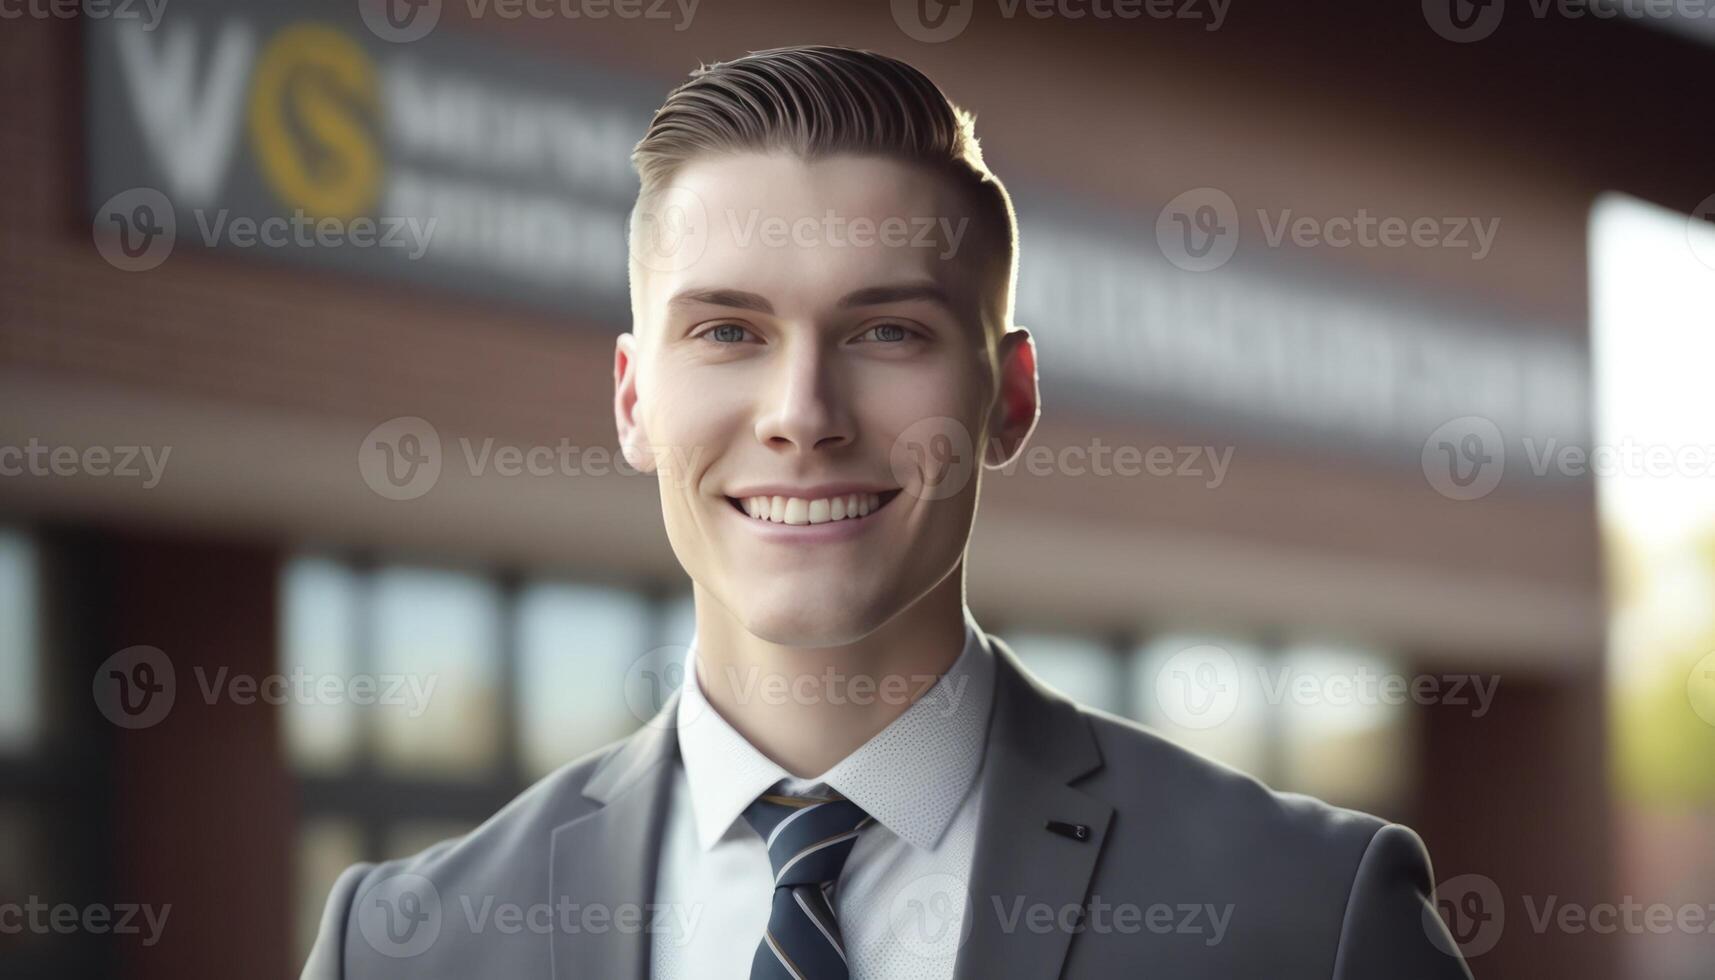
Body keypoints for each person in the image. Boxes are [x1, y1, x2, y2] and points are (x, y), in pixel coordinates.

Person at [303, 44, 1473, 979]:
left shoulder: (1304, 916)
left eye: (886, 331)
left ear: (1006, 396)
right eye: (726, 331)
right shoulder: (407, 943)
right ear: (633, 399)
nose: (802, 414)